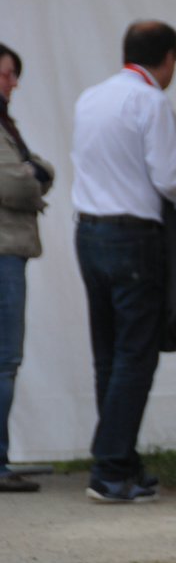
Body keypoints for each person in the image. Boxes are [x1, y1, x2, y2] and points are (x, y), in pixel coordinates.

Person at [72, 21, 176, 504]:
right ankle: (109, 467)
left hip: (89, 230)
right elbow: (168, 177)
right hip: (133, 236)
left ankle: (120, 460)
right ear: (168, 57)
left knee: (108, 353)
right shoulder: (151, 102)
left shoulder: (91, 96)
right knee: (135, 355)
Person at [0, 43, 53, 493]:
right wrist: (34, 174)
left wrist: (33, 171)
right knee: (4, 360)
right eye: (6, 74)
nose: (13, 84)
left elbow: (34, 170)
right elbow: (15, 182)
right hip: (3, 252)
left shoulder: (6, 125)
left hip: (9, 249)